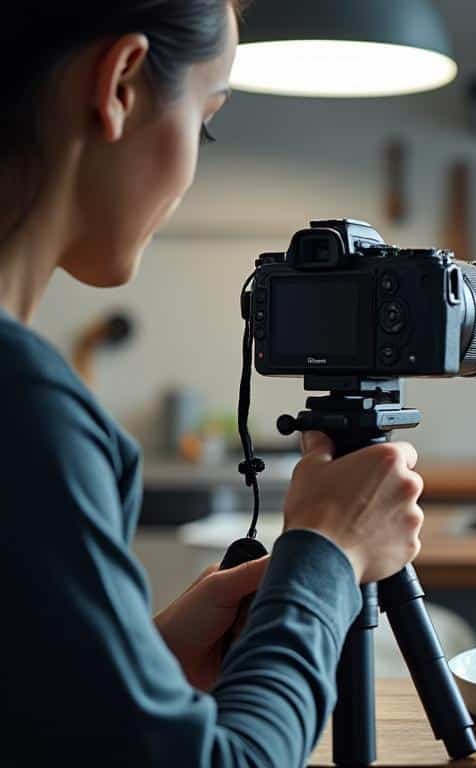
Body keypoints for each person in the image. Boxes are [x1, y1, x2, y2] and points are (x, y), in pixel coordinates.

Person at [0, 2, 427, 764]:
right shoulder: (22, 408)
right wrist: (327, 555)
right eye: (207, 119)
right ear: (122, 84)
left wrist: (143, 662)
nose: (193, 165)